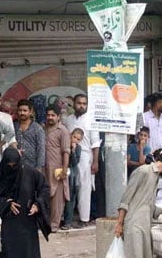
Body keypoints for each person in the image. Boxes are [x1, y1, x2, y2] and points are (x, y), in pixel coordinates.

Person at [114, 146, 162, 258]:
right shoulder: (143, 171)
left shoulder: (156, 176)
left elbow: (148, 205)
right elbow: (126, 199)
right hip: (134, 226)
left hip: (145, 226)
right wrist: (119, 224)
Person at [0, 148, 51, 258]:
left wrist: (37, 204)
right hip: (6, 224)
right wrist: (6, 204)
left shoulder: (29, 172)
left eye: (14, 166)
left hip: (26, 223)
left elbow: (44, 188)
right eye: (9, 166)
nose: (12, 169)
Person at [63, 93, 101, 228]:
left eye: (84, 104)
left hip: (85, 156)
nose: (82, 106)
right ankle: (68, 218)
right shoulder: (68, 119)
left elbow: (95, 143)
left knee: (84, 188)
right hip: (69, 155)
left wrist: (95, 162)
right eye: (79, 103)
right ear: (74, 103)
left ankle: (84, 219)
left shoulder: (91, 119)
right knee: (70, 187)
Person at [44, 105, 70, 232]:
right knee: (46, 194)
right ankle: (46, 222)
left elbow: (66, 151)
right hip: (45, 167)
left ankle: (54, 224)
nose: (50, 117)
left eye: (53, 115)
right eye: (48, 115)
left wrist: (64, 170)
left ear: (58, 117)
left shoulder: (63, 130)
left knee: (57, 197)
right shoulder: (44, 128)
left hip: (57, 168)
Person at [14, 99, 46, 172]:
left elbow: (41, 149)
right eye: (20, 110)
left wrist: (39, 168)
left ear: (30, 111)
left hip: (32, 167)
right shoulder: (14, 126)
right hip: (16, 166)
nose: (22, 113)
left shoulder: (37, 128)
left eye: (25, 111)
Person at [62, 128, 83, 230]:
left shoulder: (78, 148)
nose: (75, 140)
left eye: (78, 139)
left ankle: (68, 222)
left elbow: (75, 162)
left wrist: (73, 151)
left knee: (70, 199)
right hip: (62, 172)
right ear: (70, 135)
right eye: (74, 137)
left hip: (73, 176)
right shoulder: (65, 144)